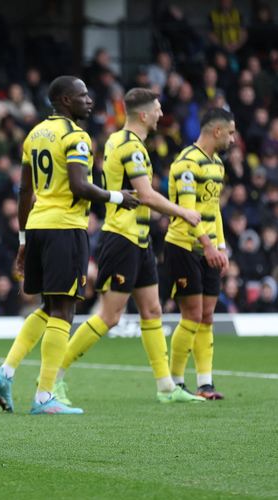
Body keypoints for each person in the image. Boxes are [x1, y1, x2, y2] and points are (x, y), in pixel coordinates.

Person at [0, 76, 140, 415]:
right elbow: (79, 185)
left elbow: (25, 192)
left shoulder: (34, 135)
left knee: (46, 307)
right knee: (64, 311)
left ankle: (5, 371)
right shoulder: (76, 137)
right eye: (83, 96)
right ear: (66, 101)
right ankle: (44, 397)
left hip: (39, 226)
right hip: (65, 229)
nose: (89, 101)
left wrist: (24, 239)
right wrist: (118, 196)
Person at [52, 88, 206, 405]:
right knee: (110, 316)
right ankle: (51, 379)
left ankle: (166, 387)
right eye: (159, 109)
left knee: (152, 310)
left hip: (139, 238)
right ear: (144, 114)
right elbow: (146, 195)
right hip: (121, 237)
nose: (163, 115)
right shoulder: (129, 146)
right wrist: (184, 212)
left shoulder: (125, 143)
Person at [164, 108, 233, 400]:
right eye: (230, 132)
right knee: (191, 314)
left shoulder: (216, 164)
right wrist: (207, 244)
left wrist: (221, 246)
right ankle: (176, 383)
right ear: (216, 131)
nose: (233, 138)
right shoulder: (187, 163)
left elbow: (213, 209)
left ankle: (205, 384)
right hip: (183, 246)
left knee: (207, 316)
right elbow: (190, 213)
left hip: (208, 249)